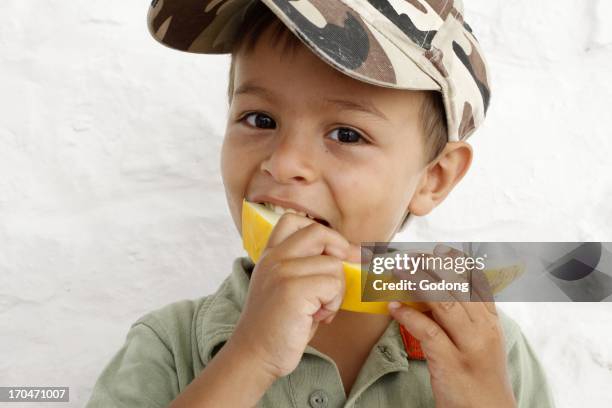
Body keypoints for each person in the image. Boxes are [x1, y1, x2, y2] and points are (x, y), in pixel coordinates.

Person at [86, 1, 555, 406]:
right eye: (259, 118)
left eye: (347, 134)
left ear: (433, 178)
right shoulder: (170, 346)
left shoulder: (488, 352)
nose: (285, 162)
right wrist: (250, 357)